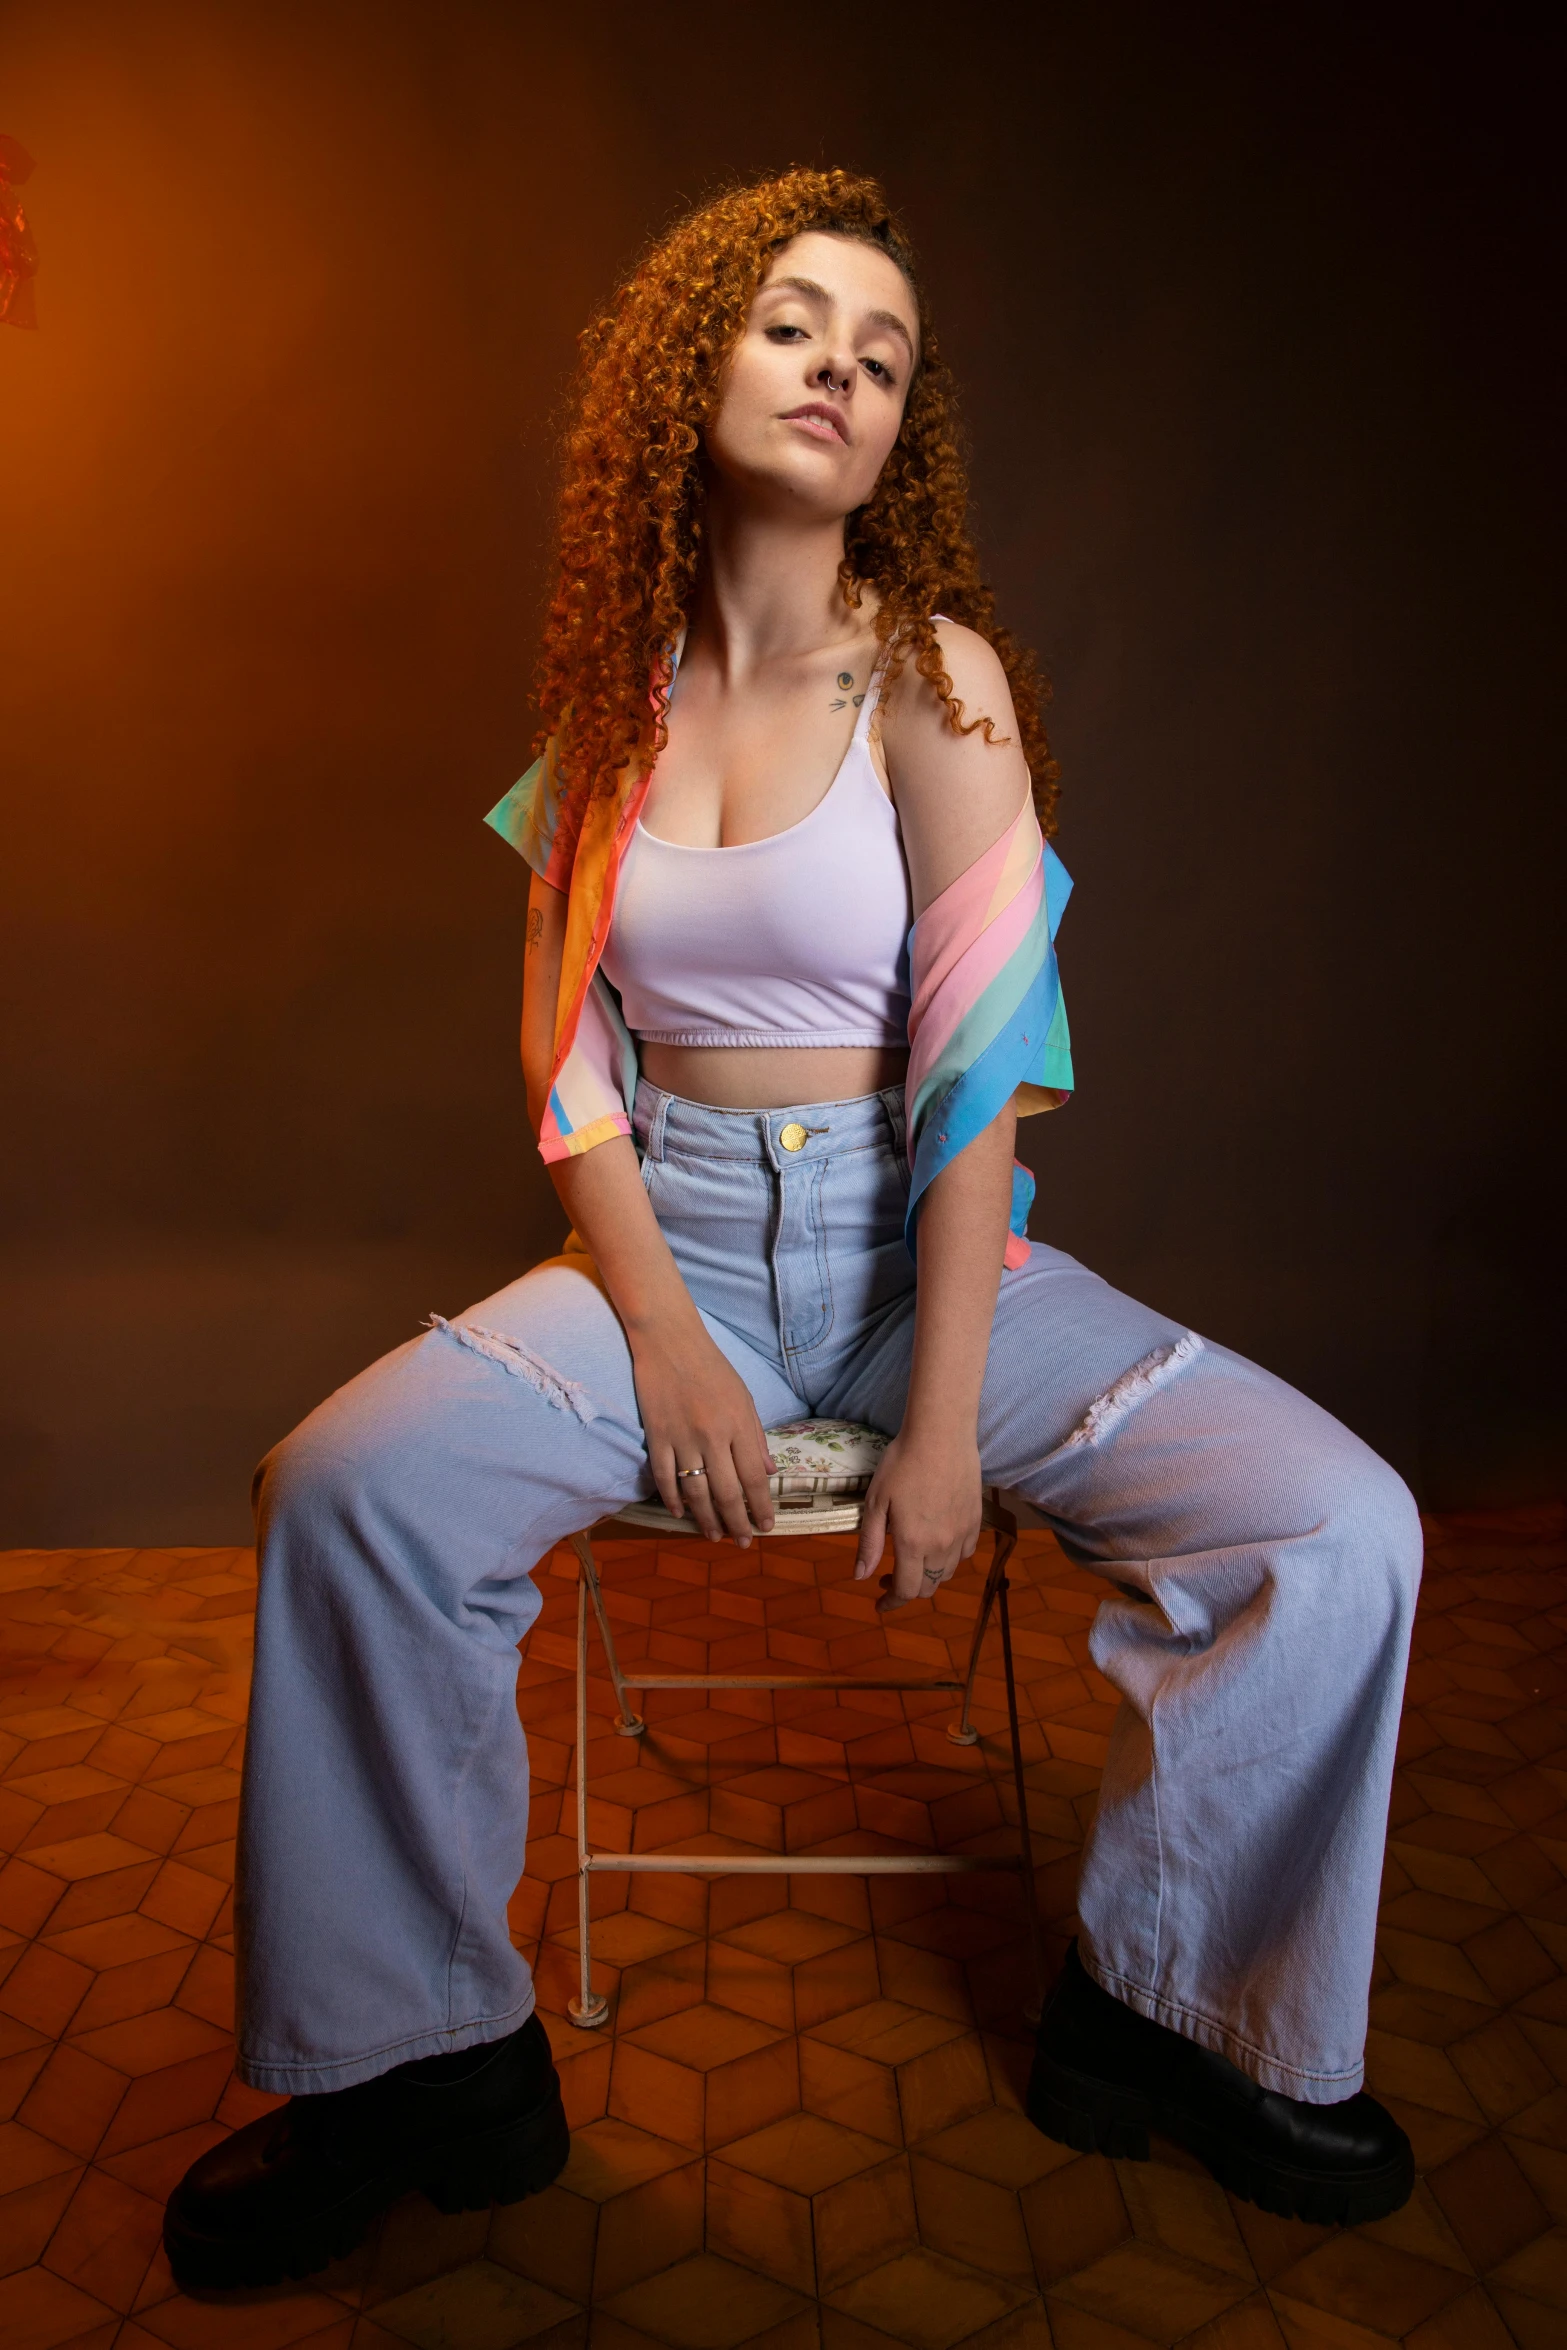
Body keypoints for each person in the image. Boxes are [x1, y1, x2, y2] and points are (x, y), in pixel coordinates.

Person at [164, 168, 1421, 2292]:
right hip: (667, 1257)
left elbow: (983, 1079)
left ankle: (1168, 2014)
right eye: (792, 324)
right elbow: (567, 1079)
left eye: (882, 351)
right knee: (340, 1491)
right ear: (691, 365)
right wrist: (652, 1335)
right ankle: (423, 2062)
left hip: (929, 1254)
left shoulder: (939, 681)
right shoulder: (603, 713)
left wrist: (941, 1419)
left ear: (900, 424)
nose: (838, 368)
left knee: (1342, 1525)